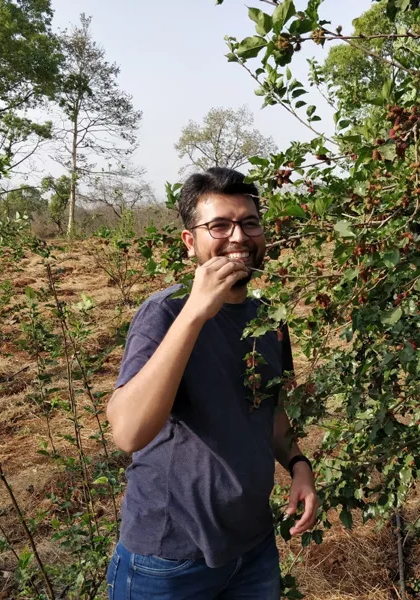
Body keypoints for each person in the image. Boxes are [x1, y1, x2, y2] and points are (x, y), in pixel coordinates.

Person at [105, 167, 318, 599]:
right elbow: (127, 432)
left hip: (253, 549)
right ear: (190, 242)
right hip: (167, 561)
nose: (237, 236)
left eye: (249, 222)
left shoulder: (268, 317)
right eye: (219, 225)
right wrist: (196, 313)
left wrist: (299, 465)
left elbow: (271, 414)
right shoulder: (164, 313)